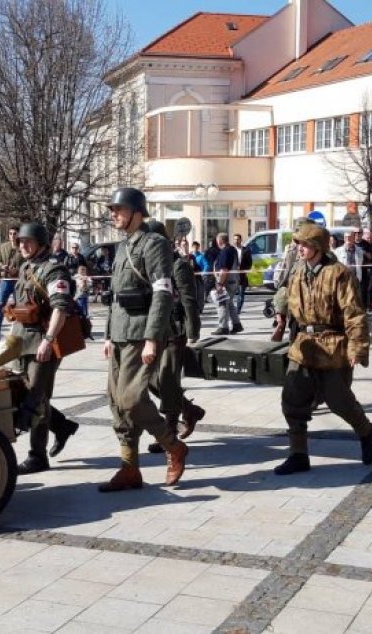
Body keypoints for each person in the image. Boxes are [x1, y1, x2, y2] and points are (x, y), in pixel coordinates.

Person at [270, 224, 372, 474]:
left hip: (332, 346)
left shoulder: (339, 273)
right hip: (302, 345)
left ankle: (367, 431)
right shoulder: (298, 270)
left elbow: (354, 313)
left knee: (339, 401)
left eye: (305, 244)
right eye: (298, 243)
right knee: (292, 400)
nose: (299, 248)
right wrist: (280, 316)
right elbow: (285, 293)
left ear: (318, 247)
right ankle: (298, 454)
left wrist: (357, 348)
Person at [99, 187, 188, 492]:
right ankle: (129, 468)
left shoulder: (154, 244)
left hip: (141, 333)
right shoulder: (122, 247)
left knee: (133, 399)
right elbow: (113, 298)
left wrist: (153, 337)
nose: (114, 214)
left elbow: (163, 291)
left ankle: (173, 445)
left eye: (119, 209)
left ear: (137, 212)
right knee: (116, 403)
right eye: (113, 210)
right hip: (121, 334)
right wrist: (109, 334)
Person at [5, 222, 76, 474]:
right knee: (23, 393)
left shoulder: (54, 271)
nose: (23, 245)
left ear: (42, 244)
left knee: (35, 399)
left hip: (43, 343)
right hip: (22, 340)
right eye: (20, 241)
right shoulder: (26, 266)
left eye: (28, 242)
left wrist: (48, 340)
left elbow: (61, 307)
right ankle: (63, 426)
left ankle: (37, 456)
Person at [144, 220, 205, 455]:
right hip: (152, 330)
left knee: (168, 379)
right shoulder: (148, 263)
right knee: (150, 379)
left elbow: (189, 298)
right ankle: (189, 409)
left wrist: (192, 330)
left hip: (173, 329)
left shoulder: (178, 265)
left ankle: (169, 431)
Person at [0, 225, 22, 329]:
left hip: (18, 281)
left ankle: (19, 328)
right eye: (10, 234)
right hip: (6, 280)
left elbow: (27, 262)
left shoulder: (22, 246)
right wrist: (2, 266)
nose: (12, 236)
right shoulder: (3, 247)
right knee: (1, 304)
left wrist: (19, 270)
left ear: (18, 234)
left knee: (19, 305)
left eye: (14, 234)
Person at [333, 229, 366, 299]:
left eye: (350, 237)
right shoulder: (338, 251)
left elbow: (360, 263)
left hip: (355, 278)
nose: (348, 239)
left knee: (355, 298)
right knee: (344, 297)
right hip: (342, 279)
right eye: (346, 237)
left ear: (353, 238)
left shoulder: (359, 250)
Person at [232, 233, 253, 313]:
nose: (236, 241)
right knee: (231, 294)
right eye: (235, 239)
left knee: (241, 293)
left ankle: (238, 310)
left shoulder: (246, 250)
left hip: (242, 275)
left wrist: (244, 270)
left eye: (237, 239)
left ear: (241, 240)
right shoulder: (231, 250)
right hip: (232, 275)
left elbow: (249, 263)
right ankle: (231, 308)